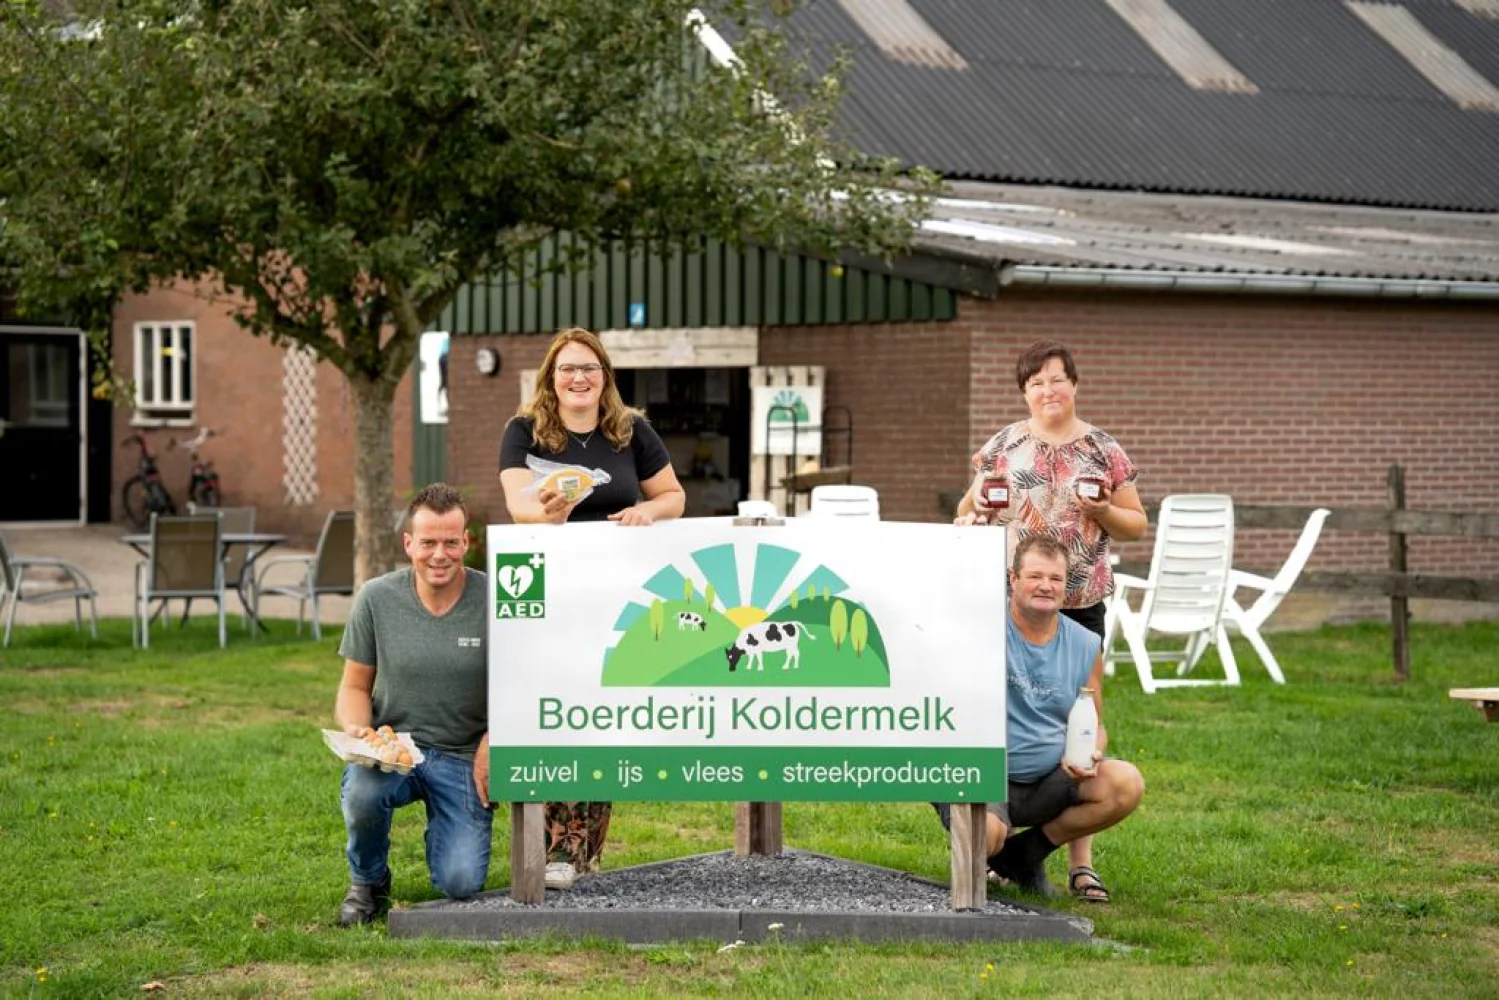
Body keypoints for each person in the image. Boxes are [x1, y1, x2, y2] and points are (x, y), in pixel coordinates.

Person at [956, 340, 1148, 903]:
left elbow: (1136, 524)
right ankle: (994, 824)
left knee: (1082, 725)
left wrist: (1102, 511)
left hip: (1079, 597)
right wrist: (980, 516)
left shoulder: (1102, 449)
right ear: (1024, 392)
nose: (1048, 391)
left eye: (1057, 379)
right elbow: (965, 513)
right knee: (1005, 707)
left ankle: (1078, 862)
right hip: (1010, 601)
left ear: (1075, 385)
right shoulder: (1003, 446)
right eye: (1036, 382)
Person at [498, 327, 685, 888]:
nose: (578, 378)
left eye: (589, 368)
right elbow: (516, 505)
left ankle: (578, 846)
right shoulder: (524, 431)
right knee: (554, 708)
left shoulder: (632, 431)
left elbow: (673, 495)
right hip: (552, 593)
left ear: (605, 376)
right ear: (550, 379)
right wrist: (547, 513)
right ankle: (549, 840)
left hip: (615, 593)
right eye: (567, 369)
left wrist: (648, 513)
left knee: (601, 711)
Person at [935, 535, 1144, 899]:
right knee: (986, 838)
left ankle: (1027, 854)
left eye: (1055, 579)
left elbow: (1095, 721)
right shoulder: (980, 628)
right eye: (1035, 576)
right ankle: (996, 847)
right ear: (1013, 580)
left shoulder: (1084, 643)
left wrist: (1090, 752)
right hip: (984, 772)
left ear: (1066, 587)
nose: (1045, 586)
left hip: (1052, 777)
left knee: (1125, 784)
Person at [333, 483, 490, 926]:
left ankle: (447, 836)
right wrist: (360, 733)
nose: (438, 554)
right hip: (394, 752)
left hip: (461, 756)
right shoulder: (376, 598)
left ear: (465, 542)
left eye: (450, 542)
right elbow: (354, 687)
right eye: (428, 543)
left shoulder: (495, 599)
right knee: (362, 791)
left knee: (460, 882)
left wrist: (495, 738)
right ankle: (368, 882)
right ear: (409, 544)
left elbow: (520, 686)